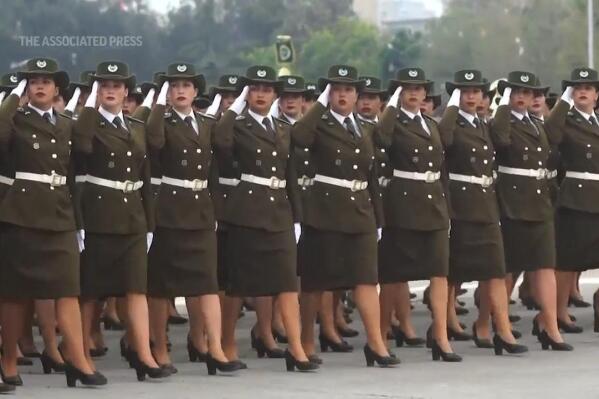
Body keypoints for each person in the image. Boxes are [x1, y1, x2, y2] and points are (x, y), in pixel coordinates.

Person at [0, 57, 106, 388]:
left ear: (56, 88)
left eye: (45, 81)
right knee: (16, 293)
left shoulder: (66, 123)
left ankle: (77, 359)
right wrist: (11, 99)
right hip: (24, 214)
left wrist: (94, 98)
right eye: (33, 82)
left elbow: (84, 150)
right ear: (26, 89)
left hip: (60, 214)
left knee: (68, 290)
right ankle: (7, 361)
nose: (40, 86)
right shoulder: (16, 119)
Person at [215, 65, 319, 372]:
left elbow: (290, 175)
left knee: (287, 283)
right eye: (255, 89)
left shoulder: (282, 128)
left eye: (266, 90)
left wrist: (297, 217)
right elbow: (220, 143)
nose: (261, 95)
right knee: (238, 284)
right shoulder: (236, 124)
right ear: (247, 94)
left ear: (274, 94)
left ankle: (297, 348)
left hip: (279, 213)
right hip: (246, 210)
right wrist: (234, 108)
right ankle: (227, 343)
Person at [294, 65, 398, 367]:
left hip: (361, 212)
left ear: (356, 95)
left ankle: (376, 344)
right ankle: (306, 340)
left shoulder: (364, 127)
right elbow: (298, 136)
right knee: (316, 284)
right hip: (325, 212)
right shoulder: (318, 123)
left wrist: (379, 219)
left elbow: (371, 174)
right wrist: (320, 104)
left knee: (367, 279)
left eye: (348, 90)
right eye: (336, 89)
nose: (343, 95)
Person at [73, 61, 171, 381]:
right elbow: (83, 144)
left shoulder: (135, 127)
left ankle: (143, 353)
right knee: (92, 292)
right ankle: (79, 353)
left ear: (126, 92)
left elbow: (145, 172)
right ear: (96, 92)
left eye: (116, 86)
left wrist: (150, 224)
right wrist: (89, 104)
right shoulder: (87, 123)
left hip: (132, 218)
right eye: (103, 86)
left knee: (136, 289)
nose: (110, 91)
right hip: (100, 217)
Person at [145, 62, 240, 375]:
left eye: (186, 86)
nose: (180, 91)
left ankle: (214, 347)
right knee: (162, 285)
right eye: (174, 86)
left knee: (207, 284)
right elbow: (155, 142)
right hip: (170, 210)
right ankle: (158, 346)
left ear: (196, 92)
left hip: (200, 210)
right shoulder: (162, 120)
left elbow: (215, 165)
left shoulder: (206, 122)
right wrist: (159, 103)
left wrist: (215, 209)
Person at [439, 69, 528, 355]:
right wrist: (452, 105)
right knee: (453, 272)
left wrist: (501, 104)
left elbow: (502, 140)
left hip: (487, 205)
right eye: (464, 92)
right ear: (457, 95)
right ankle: (441, 328)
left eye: (476, 92)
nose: (471, 96)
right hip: (461, 207)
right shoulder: (451, 124)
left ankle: (501, 330)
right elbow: (445, 140)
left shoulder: (483, 124)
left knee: (495, 270)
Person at [377, 67, 460, 362]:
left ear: (425, 93)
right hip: (403, 205)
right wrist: (390, 105)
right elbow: (381, 140)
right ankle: (382, 335)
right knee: (393, 275)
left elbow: (442, 168)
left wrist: (447, 208)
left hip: (433, 205)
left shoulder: (430, 124)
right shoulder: (392, 121)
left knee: (439, 272)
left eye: (417, 88)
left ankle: (440, 336)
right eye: (405, 88)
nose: (413, 92)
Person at [490, 71, 571, 350]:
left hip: (539, 204)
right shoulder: (502, 120)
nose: (522, 97)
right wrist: (501, 102)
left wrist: (566, 98)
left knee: (545, 266)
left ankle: (550, 327)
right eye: (516, 92)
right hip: (512, 205)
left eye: (527, 93)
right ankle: (495, 327)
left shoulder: (537, 124)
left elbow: (555, 140)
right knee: (507, 270)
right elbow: (500, 139)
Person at [545, 67, 599, 334]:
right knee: (567, 261)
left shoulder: (596, 122)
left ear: (596, 95)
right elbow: (550, 134)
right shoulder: (566, 120)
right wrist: (563, 101)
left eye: (587, 88)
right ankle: (555, 314)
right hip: (576, 198)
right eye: (577, 88)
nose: (582, 92)